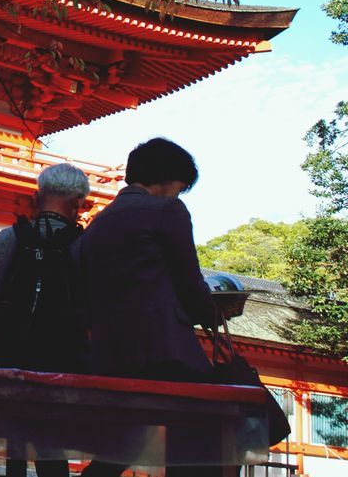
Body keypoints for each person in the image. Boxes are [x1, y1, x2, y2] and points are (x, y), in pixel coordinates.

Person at [74, 138, 219, 477]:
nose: (178, 195)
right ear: (168, 178)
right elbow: (188, 279)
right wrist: (213, 315)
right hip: (164, 351)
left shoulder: (97, 226)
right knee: (201, 439)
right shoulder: (166, 211)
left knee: (125, 443)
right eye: (180, 187)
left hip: (111, 353)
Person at [0, 162, 91, 373]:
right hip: (67, 369)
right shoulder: (86, 247)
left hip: (6, 363)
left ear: (38, 196)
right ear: (77, 203)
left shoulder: (6, 240)